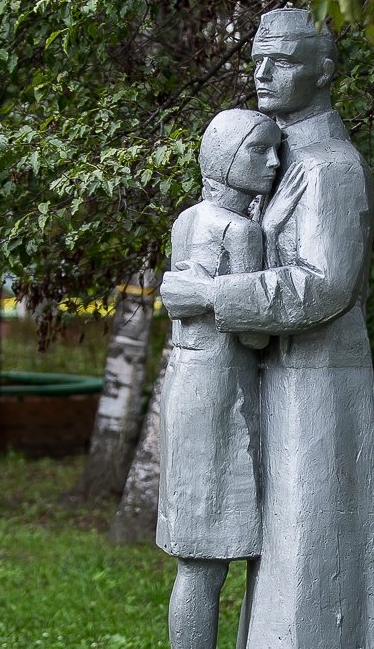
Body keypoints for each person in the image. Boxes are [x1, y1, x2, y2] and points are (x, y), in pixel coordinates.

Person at [161, 8, 374, 648]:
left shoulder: (331, 167)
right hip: (274, 376)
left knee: (308, 551)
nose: (263, 73)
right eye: (257, 59)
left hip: (318, 385)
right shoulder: (275, 156)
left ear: (324, 70)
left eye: (284, 60)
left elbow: (323, 285)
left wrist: (211, 294)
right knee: (281, 558)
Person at [157, 108, 280, 649]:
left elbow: (182, 295)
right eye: (259, 151)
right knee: (210, 564)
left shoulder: (188, 219)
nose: (273, 162)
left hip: (185, 381)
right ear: (227, 157)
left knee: (196, 562)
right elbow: (254, 336)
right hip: (224, 394)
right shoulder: (242, 231)